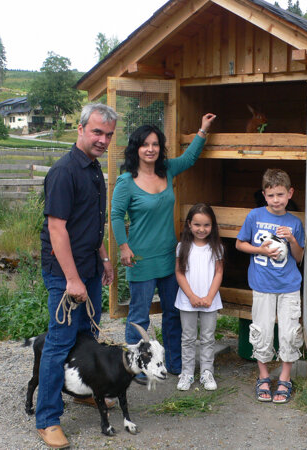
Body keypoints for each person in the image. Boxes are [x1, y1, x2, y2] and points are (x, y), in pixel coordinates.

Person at [36, 103, 118, 449]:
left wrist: (104, 258)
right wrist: (71, 280)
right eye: (97, 132)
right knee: (59, 343)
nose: (102, 139)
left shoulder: (94, 170)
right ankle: (47, 418)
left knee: (87, 337)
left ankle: (82, 391)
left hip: (89, 267)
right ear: (80, 129)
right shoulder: (64, 172)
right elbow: (57, 229)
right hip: (65, 272)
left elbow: (92, 222)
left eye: (109, 135)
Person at [111, 113, 216, 380]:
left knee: (173, 313)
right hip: (141, 259)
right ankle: (137, 366)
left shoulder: (166, 170)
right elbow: (114, 216)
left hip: (170, 256)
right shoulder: (126, 182)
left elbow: (190, 158)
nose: (150, 149)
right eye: (145, 144)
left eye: (155, 144)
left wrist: (202, 129)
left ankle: (174, 362)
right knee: (139, 316)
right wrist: (123, 247)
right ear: (136, 148)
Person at [235, 168, 305, 404]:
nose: (276, 200)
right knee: (262, 331)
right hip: (262, 284)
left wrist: (292, 239)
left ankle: (285, 377)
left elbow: (298, 257)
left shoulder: (294, 222)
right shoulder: (254, 216)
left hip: (289, 286)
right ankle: (263, 376)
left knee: (289, 332)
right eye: (271, 195)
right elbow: (239, 244)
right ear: (264, 195)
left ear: (290, 193)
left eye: (281, 195)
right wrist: (260, 250)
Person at [174, 203, 224, 391]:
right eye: (197, 225)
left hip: (210, 301)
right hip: (187, 301)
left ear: (212, 226)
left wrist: (210, 296)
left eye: (206, 225)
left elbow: (219, 273)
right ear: (189, 224)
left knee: (208, 337)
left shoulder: (217, 247)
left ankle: (206, 372)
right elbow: (179, 273)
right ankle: (186, 373)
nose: (201, 229)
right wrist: (192, 296)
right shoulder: (182, 247)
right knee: (187, 337)